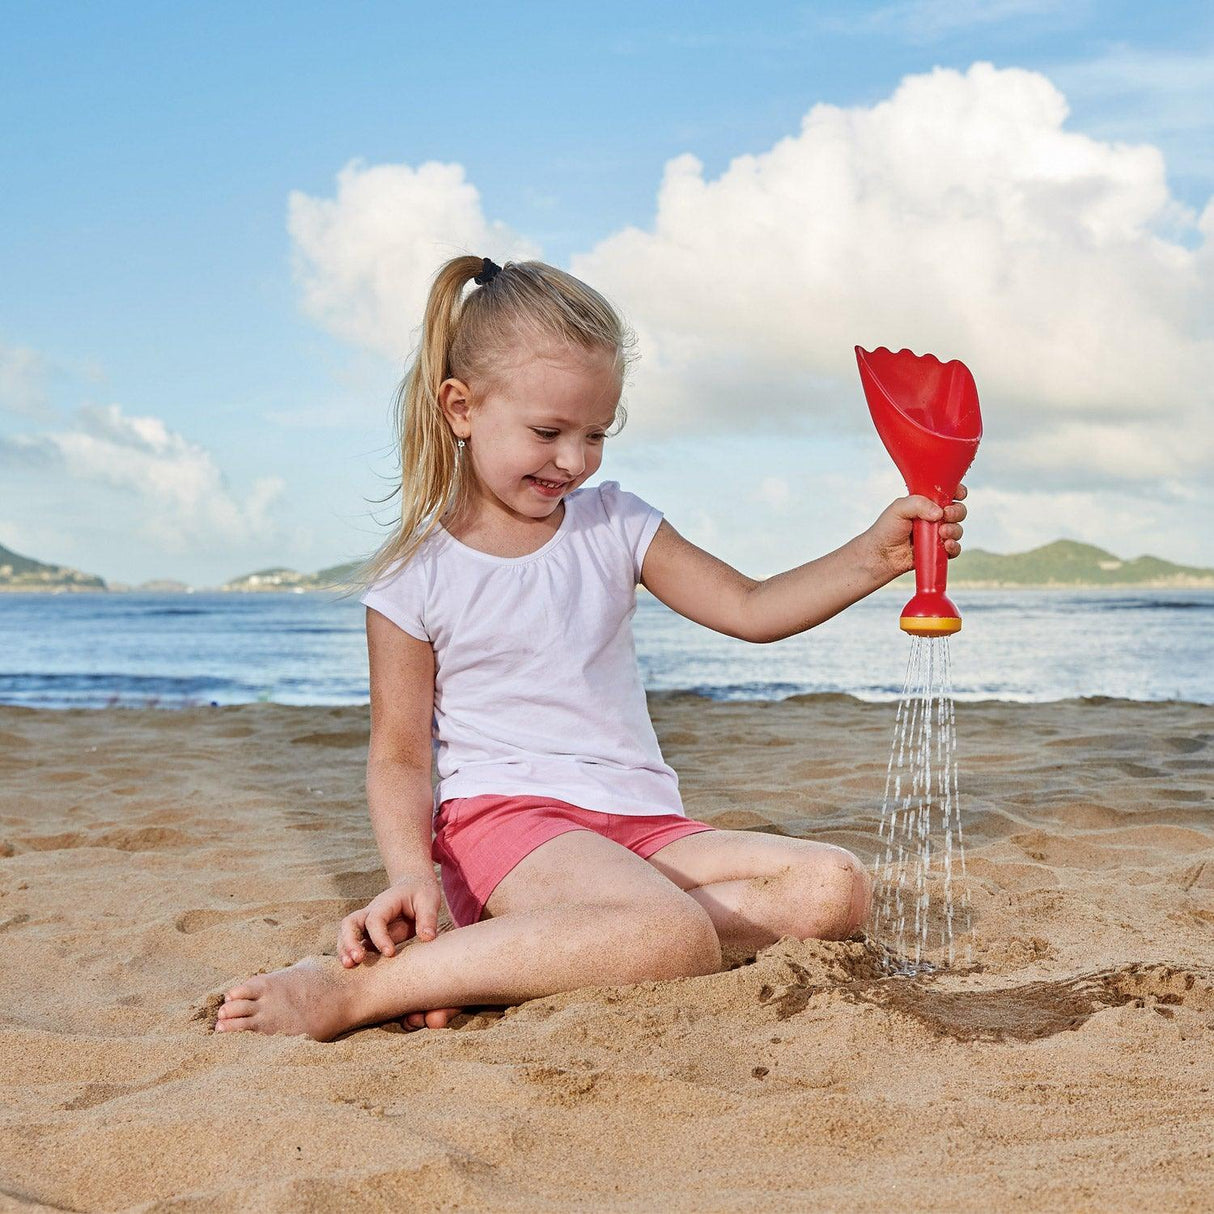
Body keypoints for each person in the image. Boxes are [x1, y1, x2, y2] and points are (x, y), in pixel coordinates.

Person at [214, 255, 967, 1040]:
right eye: (548, 432)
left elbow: (751, 608)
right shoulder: (415, 577)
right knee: (668, 935)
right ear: (461, 408)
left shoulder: (617, 523)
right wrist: (410, 873)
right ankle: (356, 991)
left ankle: (510, 961)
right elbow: (399, 755)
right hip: (510, 826)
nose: (573, 460)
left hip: (644, 824)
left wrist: (875, 557)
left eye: (595, 434)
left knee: (834, 888)